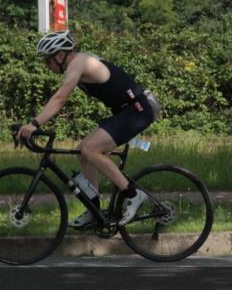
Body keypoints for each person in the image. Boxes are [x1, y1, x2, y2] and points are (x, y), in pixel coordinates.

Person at [15, 30, 162, 228]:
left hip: (137, 111)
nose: (46, 66)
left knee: (90, 149)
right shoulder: (78, 63)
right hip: (126, 112)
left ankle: (133, 194)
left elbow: (60, 98)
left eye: (47, 61)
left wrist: (34, 124)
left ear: (60, 55)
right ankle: (94, 210)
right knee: (83, 152)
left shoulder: (79, 62)